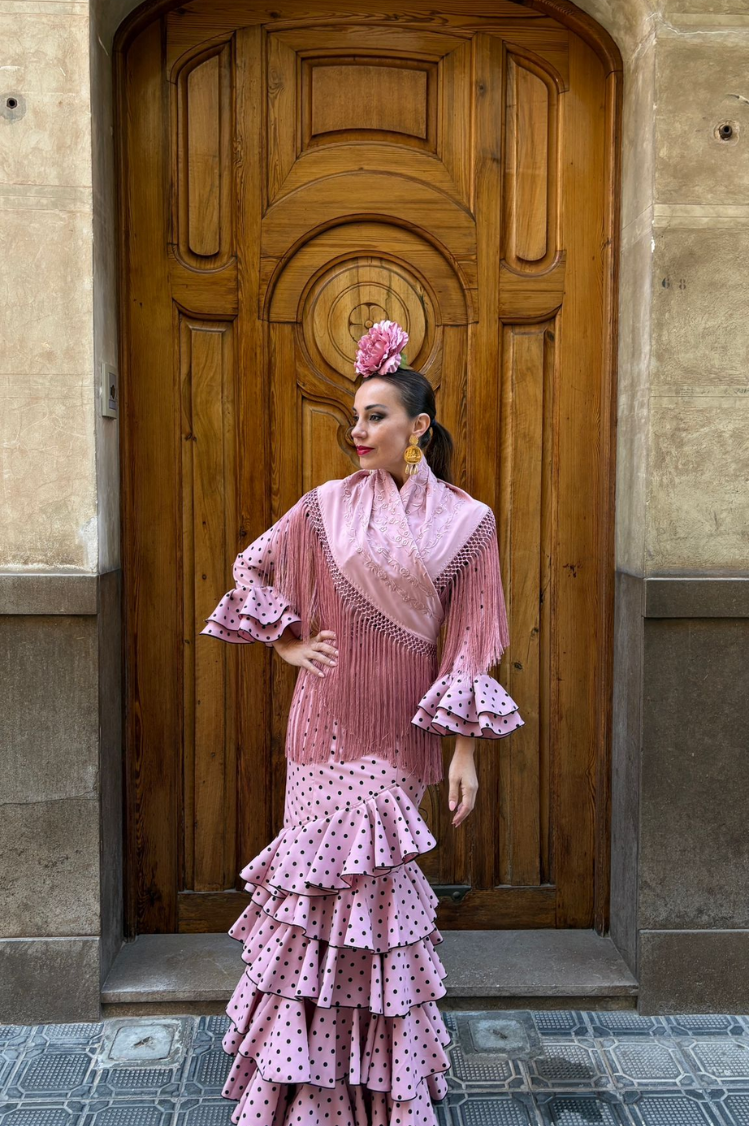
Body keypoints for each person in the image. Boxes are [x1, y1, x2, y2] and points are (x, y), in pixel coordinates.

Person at [200, 319, 525, 1126]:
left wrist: (464, 754)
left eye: (375, 416)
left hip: (400, 733)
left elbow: (470, 644)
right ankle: (303, 1091)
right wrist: (285, 643)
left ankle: (377, 1086)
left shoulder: (467, 522)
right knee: (311, 902)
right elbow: (251, 567)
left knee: (371, 909)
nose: (358, 431)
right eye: (354, 417)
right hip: (321, 723)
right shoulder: (322, 507)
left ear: (417, 427)